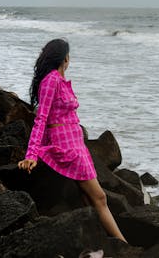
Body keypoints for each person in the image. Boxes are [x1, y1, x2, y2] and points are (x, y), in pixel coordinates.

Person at [18, 38, 127, 243]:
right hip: (67, 148)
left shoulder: (60, 81)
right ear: (65, 58)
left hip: (77, 145)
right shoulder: (51, 81)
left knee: (88, 199)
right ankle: (124, 245)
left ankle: (101, 242)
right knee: (100, 197)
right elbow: (41, 119)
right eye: (69, 56)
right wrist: (32, 154)